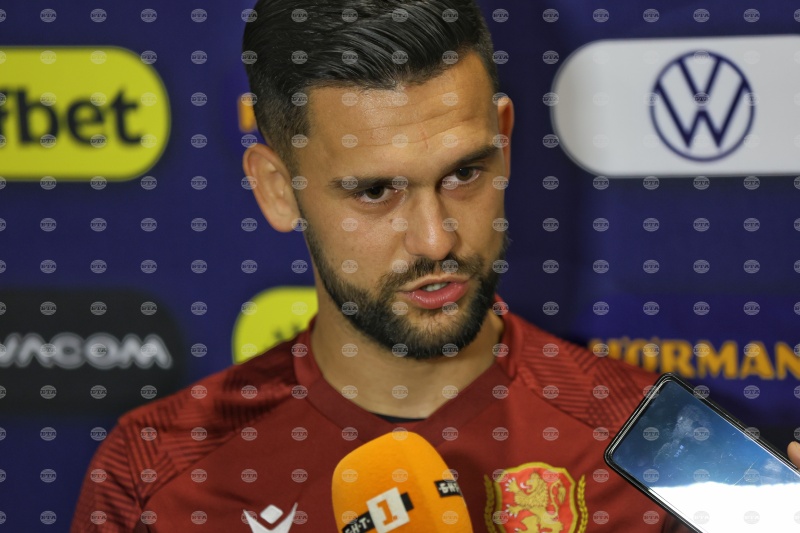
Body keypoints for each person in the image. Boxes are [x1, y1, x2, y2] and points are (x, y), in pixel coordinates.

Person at [72, 1, 800, 531]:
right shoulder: (155, 471)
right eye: (375, 191)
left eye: (464, 173)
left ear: (505, 143)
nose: (434, 239)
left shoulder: (662, 454)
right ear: (276, 188)